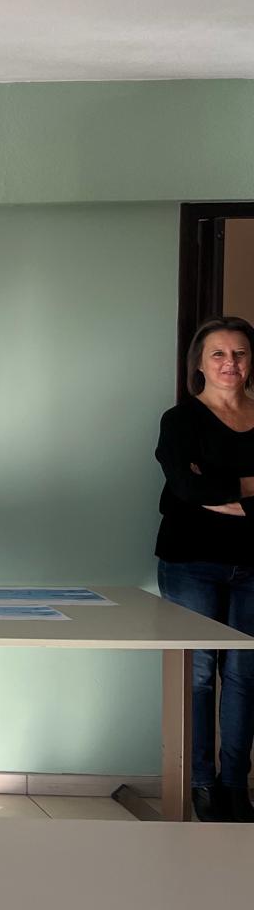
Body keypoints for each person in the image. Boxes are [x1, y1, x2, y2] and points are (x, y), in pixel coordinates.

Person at [155, 315, 254, 822]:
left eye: (239, 353)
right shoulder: (181, 421)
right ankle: (199, 785)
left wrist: (217, 487)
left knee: (245, 676)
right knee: (196, 676)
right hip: (191, 562)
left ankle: (235, 787)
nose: (229, 363)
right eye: (218, 353)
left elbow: (201, 488)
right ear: (199, 363)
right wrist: (249, 486)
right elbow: (186, 488)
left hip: (253, 567)